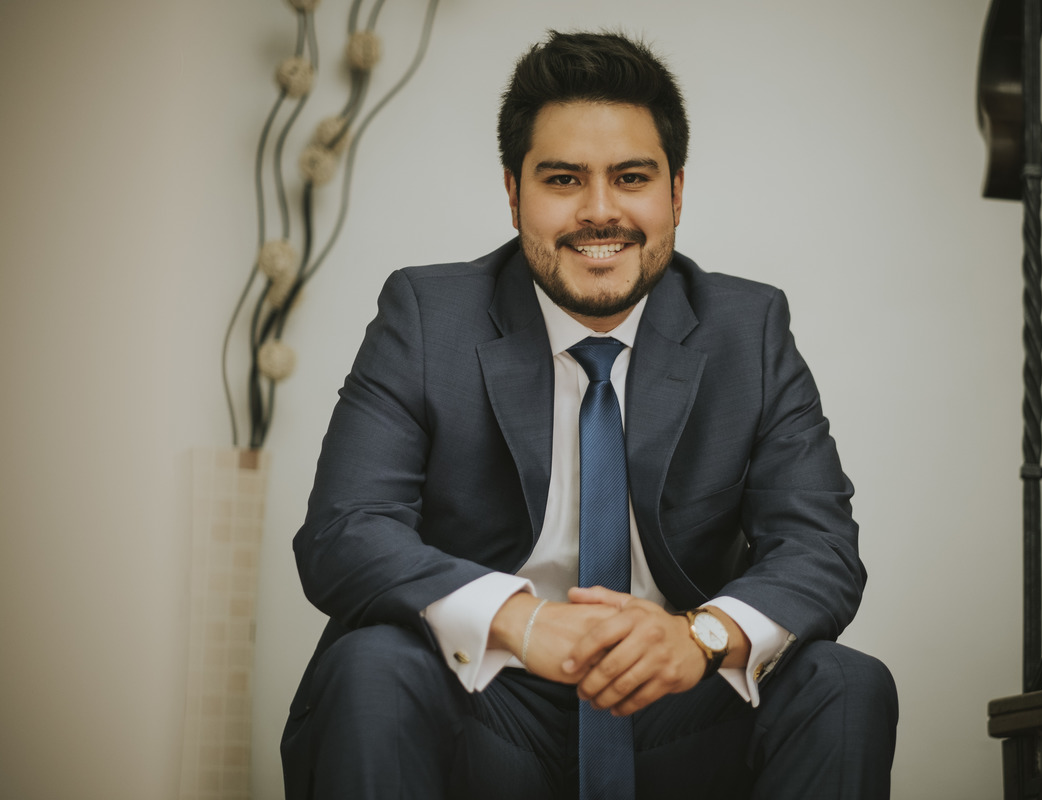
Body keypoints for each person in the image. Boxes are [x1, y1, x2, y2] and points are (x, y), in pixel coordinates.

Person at [281, 29, 898, 800]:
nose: (600, 212)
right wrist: (520, 620)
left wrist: (700, 637)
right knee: (372, 665)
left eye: (631, 178)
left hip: (677, 709)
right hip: (482, 698)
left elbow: (820, 546)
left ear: (676, 192)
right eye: (564, 179)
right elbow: (344, 531)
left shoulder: (750, 329)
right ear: (514, 194)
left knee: (845, 683)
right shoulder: (427, 317)